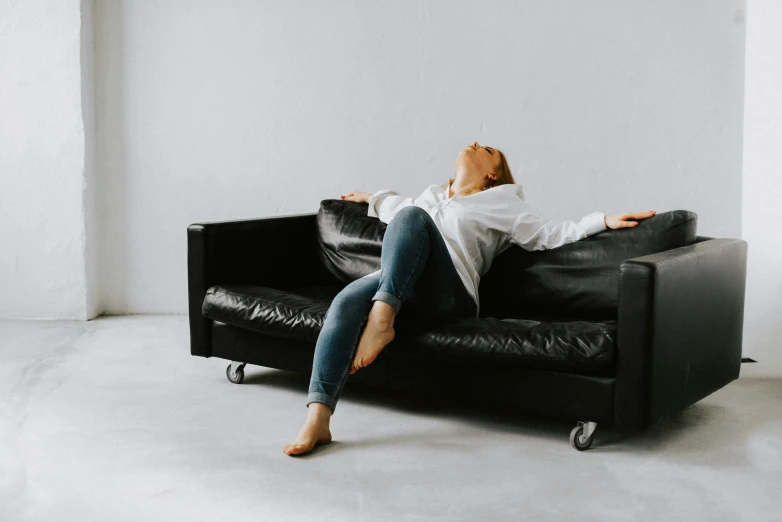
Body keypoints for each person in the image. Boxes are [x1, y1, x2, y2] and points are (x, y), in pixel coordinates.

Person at [282, 141, 656, 456]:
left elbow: (550, 233)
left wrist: (603, 221)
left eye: (488, 149)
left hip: (450, 294)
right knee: (346, 299)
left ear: (493, 174)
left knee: (412, 217)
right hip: (401, 286)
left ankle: (382, 322)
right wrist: (371, 198)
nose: (476, 144)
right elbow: (397, 208)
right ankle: (319, 418)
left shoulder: (503, 203)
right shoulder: (430, 196)